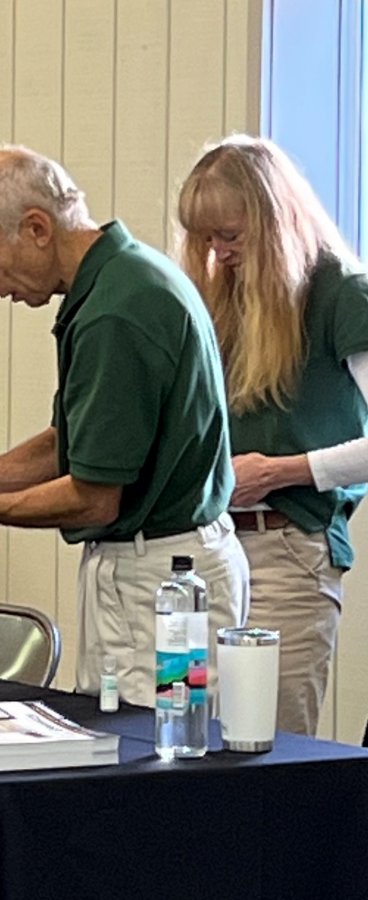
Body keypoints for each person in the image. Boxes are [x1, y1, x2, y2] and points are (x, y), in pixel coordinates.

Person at [0, 146, 250, 709]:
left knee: (163, 748)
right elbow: (67, 446)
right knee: (125, 740)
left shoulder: (117, 310)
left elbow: (92, 498)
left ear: (36, 228)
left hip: (167, 590)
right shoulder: (116, 283)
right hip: (147, 575)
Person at [176, 135, 368, 736]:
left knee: (268, 744)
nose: (217, 252)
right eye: (204, 238)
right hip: (213, 549)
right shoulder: (228, 299)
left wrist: (283, 471)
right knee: (186, 730)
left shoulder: (341, 292)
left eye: (230, 236)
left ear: (274, 220)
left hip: (289, 553)